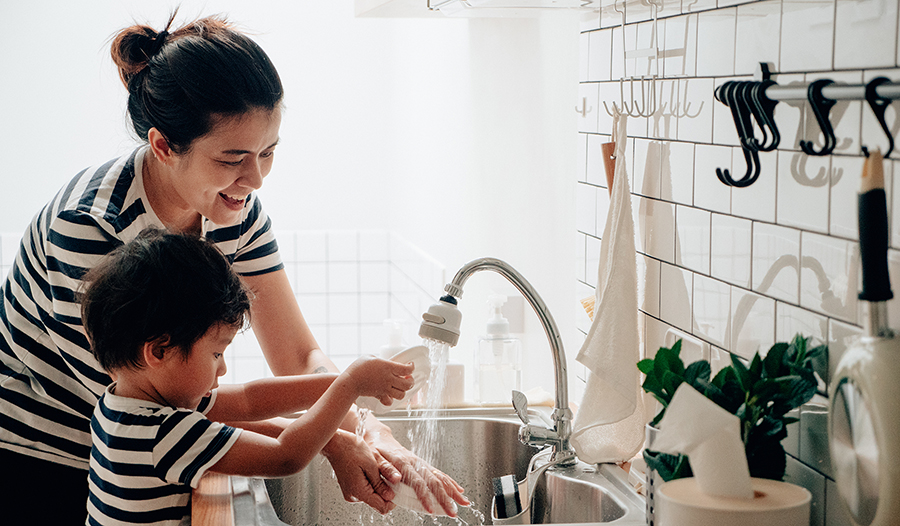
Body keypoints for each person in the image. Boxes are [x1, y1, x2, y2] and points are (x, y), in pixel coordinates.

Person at [0, 13, 466, 525]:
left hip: (146, 458)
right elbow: (167, 403)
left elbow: (296, 353)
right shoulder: (91, 226)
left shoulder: (233, 210)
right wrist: (335, 436)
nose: (257, 177)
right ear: (163, 146)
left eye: (268, 152)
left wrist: (371, 429)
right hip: (40, 455)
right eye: (233, 157)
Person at [81, 228, 417, 525]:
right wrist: (351, 384)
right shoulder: (165, 433)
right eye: (216, 353)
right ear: (158, 351)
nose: (223, 368)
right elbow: (285, 455)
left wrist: (342, 381)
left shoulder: (123, 402)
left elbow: (247, 399)